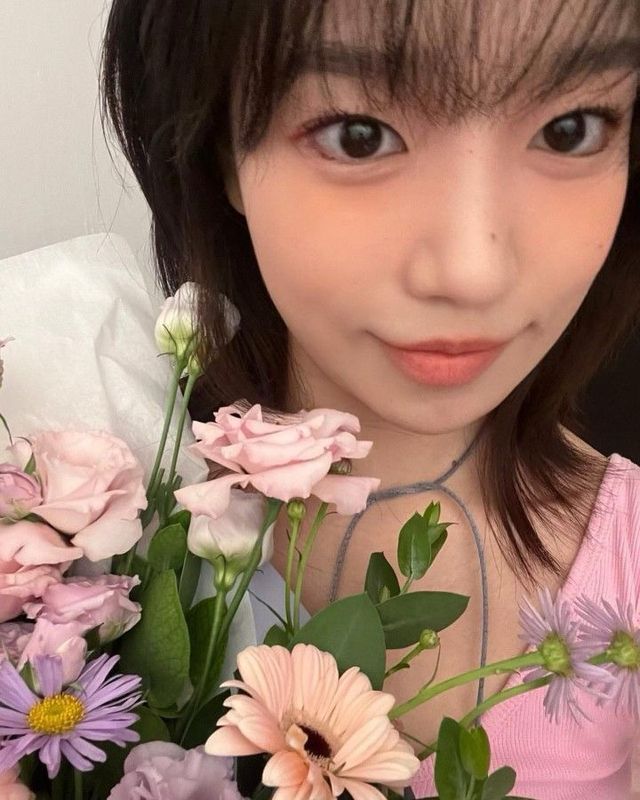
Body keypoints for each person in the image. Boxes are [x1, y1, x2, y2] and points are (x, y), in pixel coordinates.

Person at [99, 1, 640, 797]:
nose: (472, 271)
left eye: (571, 130)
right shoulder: (79, 536)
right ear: (223, 153)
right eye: (359, 135)